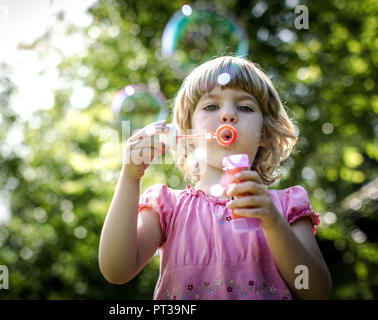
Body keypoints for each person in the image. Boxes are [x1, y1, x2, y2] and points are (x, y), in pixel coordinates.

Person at [99, 56, 332, 300]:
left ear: (264, 132)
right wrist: (130, 177)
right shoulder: (168, 207)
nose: (228, 115)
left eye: (245, 107)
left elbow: (316, 292)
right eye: (211, 106)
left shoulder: (285, 206)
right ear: (187, 131)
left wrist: (272, 222)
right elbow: (117, 270)